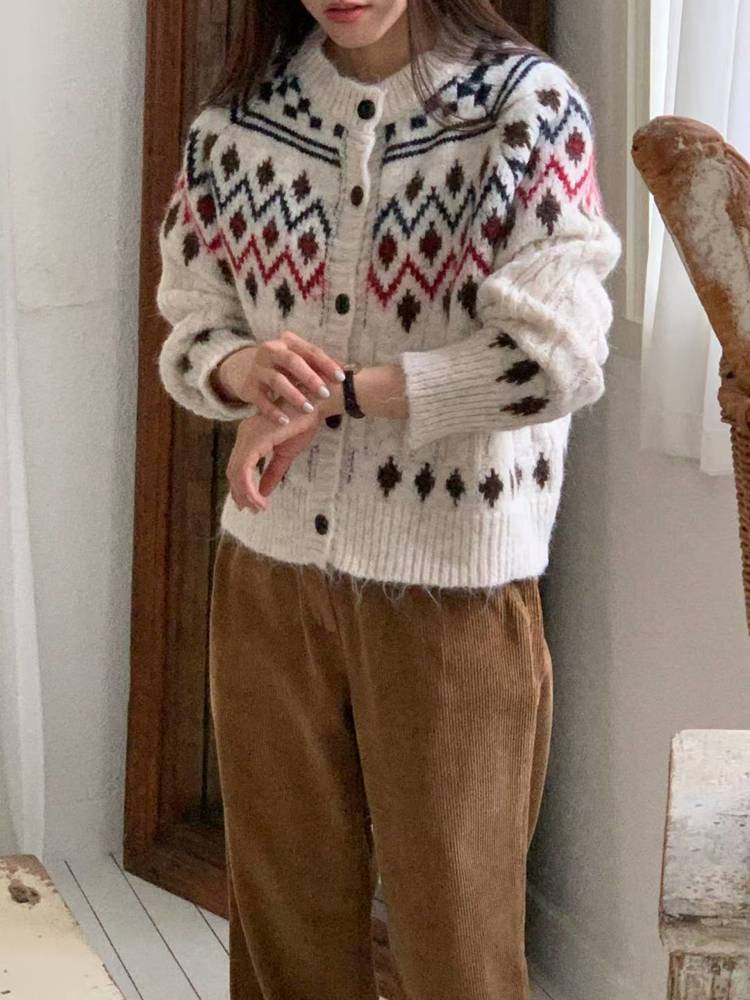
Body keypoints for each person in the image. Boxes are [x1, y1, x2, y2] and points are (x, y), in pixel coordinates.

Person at [155, 1, 622, 997]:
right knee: (283, 931)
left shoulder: (523, 110)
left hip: (451, 585)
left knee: (456, 945)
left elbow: (556, 360)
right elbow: (192, 323)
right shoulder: (236, 123)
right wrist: (243, 371)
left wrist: (345, 396)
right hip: (269, 578)